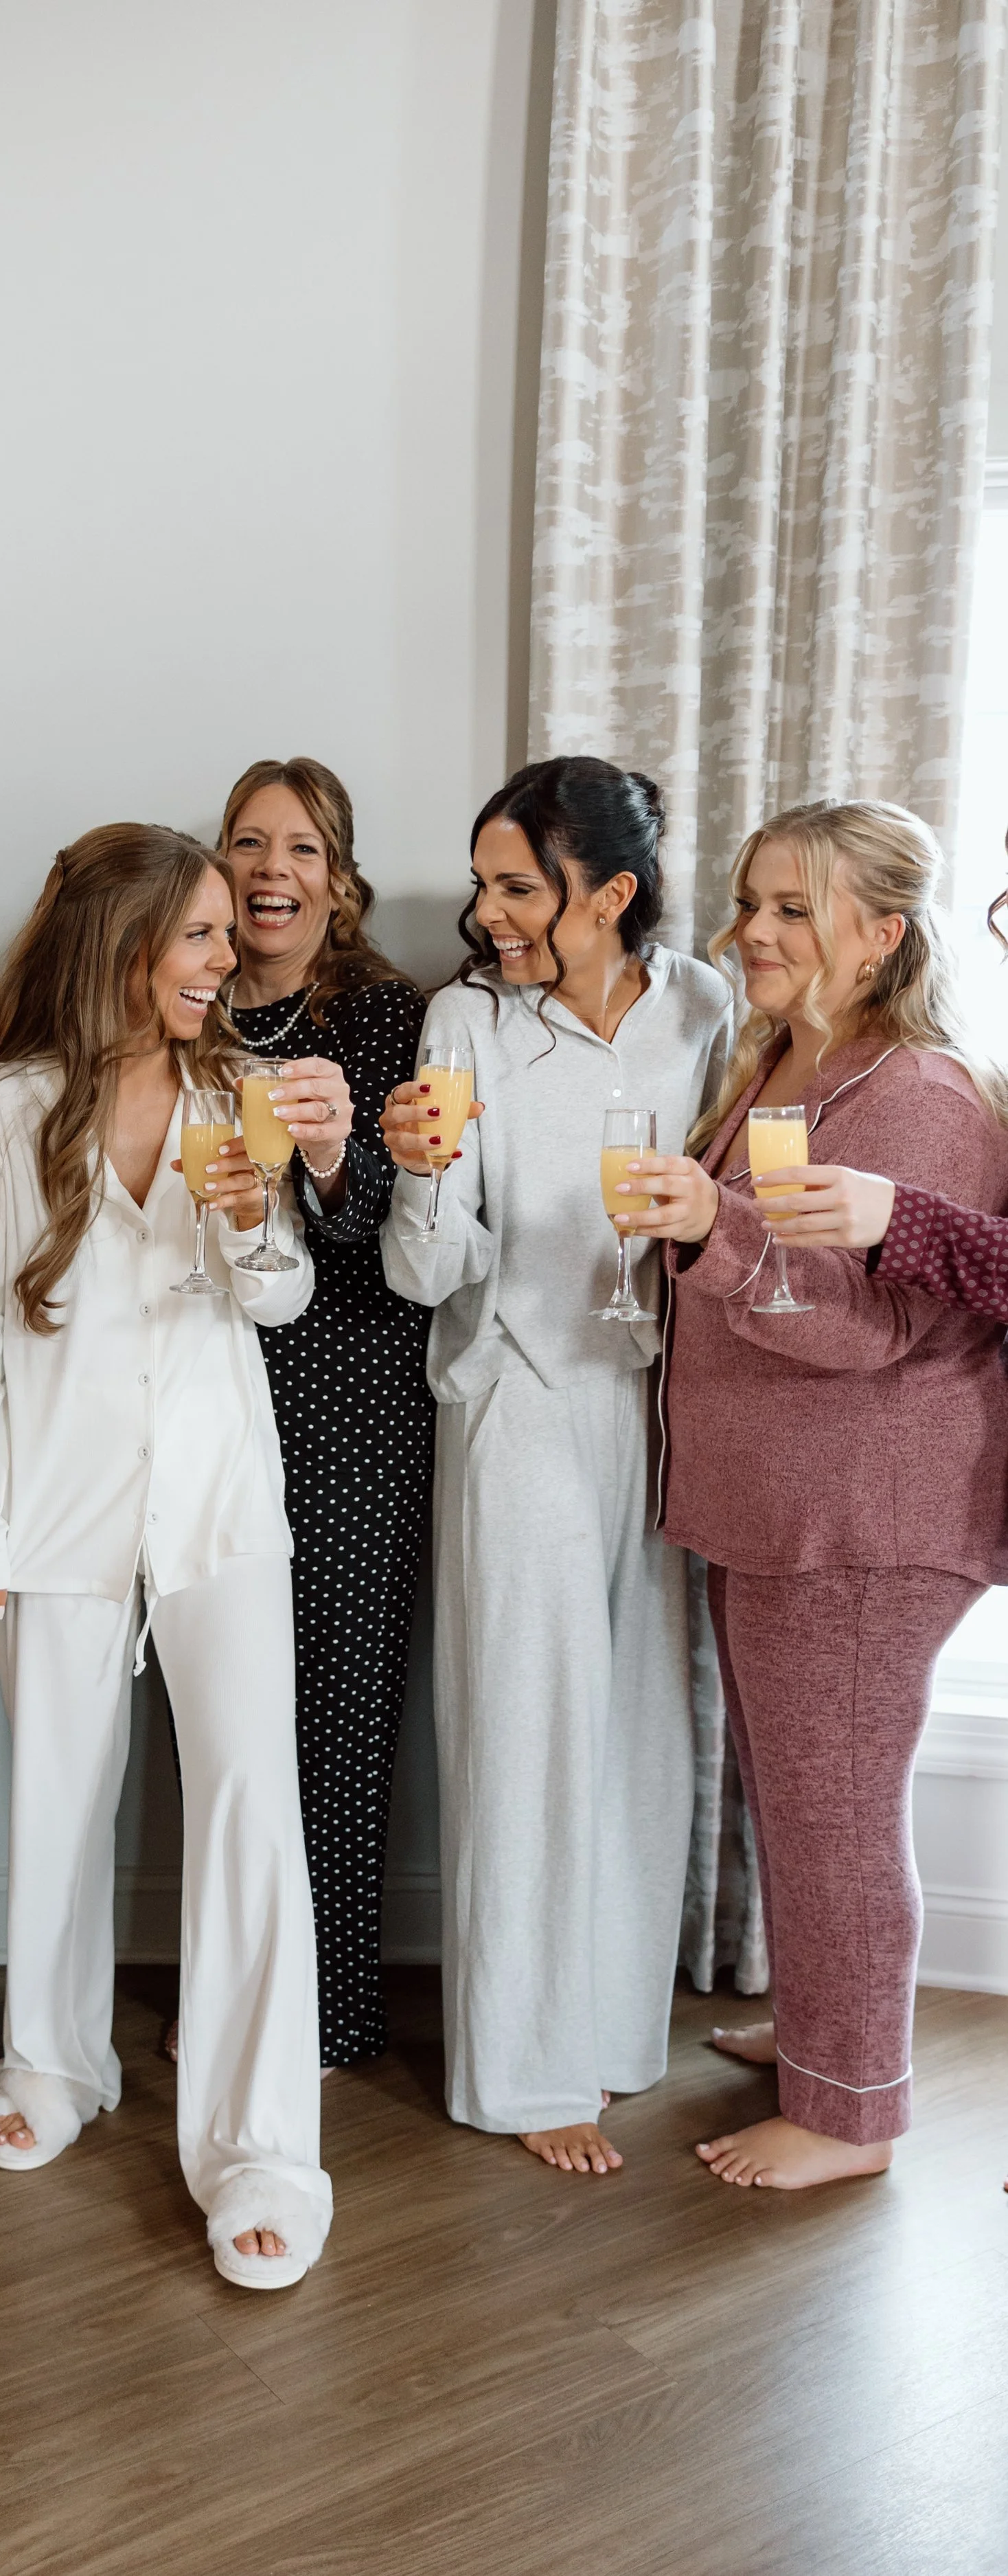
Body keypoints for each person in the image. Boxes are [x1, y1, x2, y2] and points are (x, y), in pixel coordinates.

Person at [0, 824, 332, 2288]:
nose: (227, 962)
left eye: (228, 935)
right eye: (200, 938)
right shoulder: (1, 1107)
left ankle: (260, 2148)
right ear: (121, 945)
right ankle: (47, 2062)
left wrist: (252, 1224)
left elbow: (276, 1305)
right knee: (54, 1792)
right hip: (54, 1507)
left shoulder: (239, 1092)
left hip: (222, 1508)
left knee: (248, 1813)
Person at [628, 800, 1008, 2189]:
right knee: (803, 1795)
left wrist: (703, 1230)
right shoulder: (790, 1067)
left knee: (834, 1808)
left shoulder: (915, 1094)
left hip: (863, 1527)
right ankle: (814, 2028)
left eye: (792, 907)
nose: (751, 930)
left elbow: (865, 1331)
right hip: (788, 1514)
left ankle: (848, 2116)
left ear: (878, 935)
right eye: (748, 902)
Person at [380, 756, 731, 2174]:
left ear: (612, 893)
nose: (486, 912)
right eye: (483, 883)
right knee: (523, 1730)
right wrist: (414, 1173)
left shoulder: (699, 1007)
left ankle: (608, 2034)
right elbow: (426, 1271)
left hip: (652, 1399)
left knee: (636, 1729)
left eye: (516, 885)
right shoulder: (460, 1020)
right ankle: (521, 2074)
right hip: (515, 1395)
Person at [216, 756, 430, 2068]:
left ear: (339, 878)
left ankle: (331, 2005)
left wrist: (335, 1157)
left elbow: (402, 1231)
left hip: (351, 1399)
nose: (271, 871)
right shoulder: (180, 1006)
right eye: (248, 844)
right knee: (231, 1717)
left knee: (341, 1711)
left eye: (300, 848)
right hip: (208, 1397)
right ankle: (239, 1990)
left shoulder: (387, 1018)